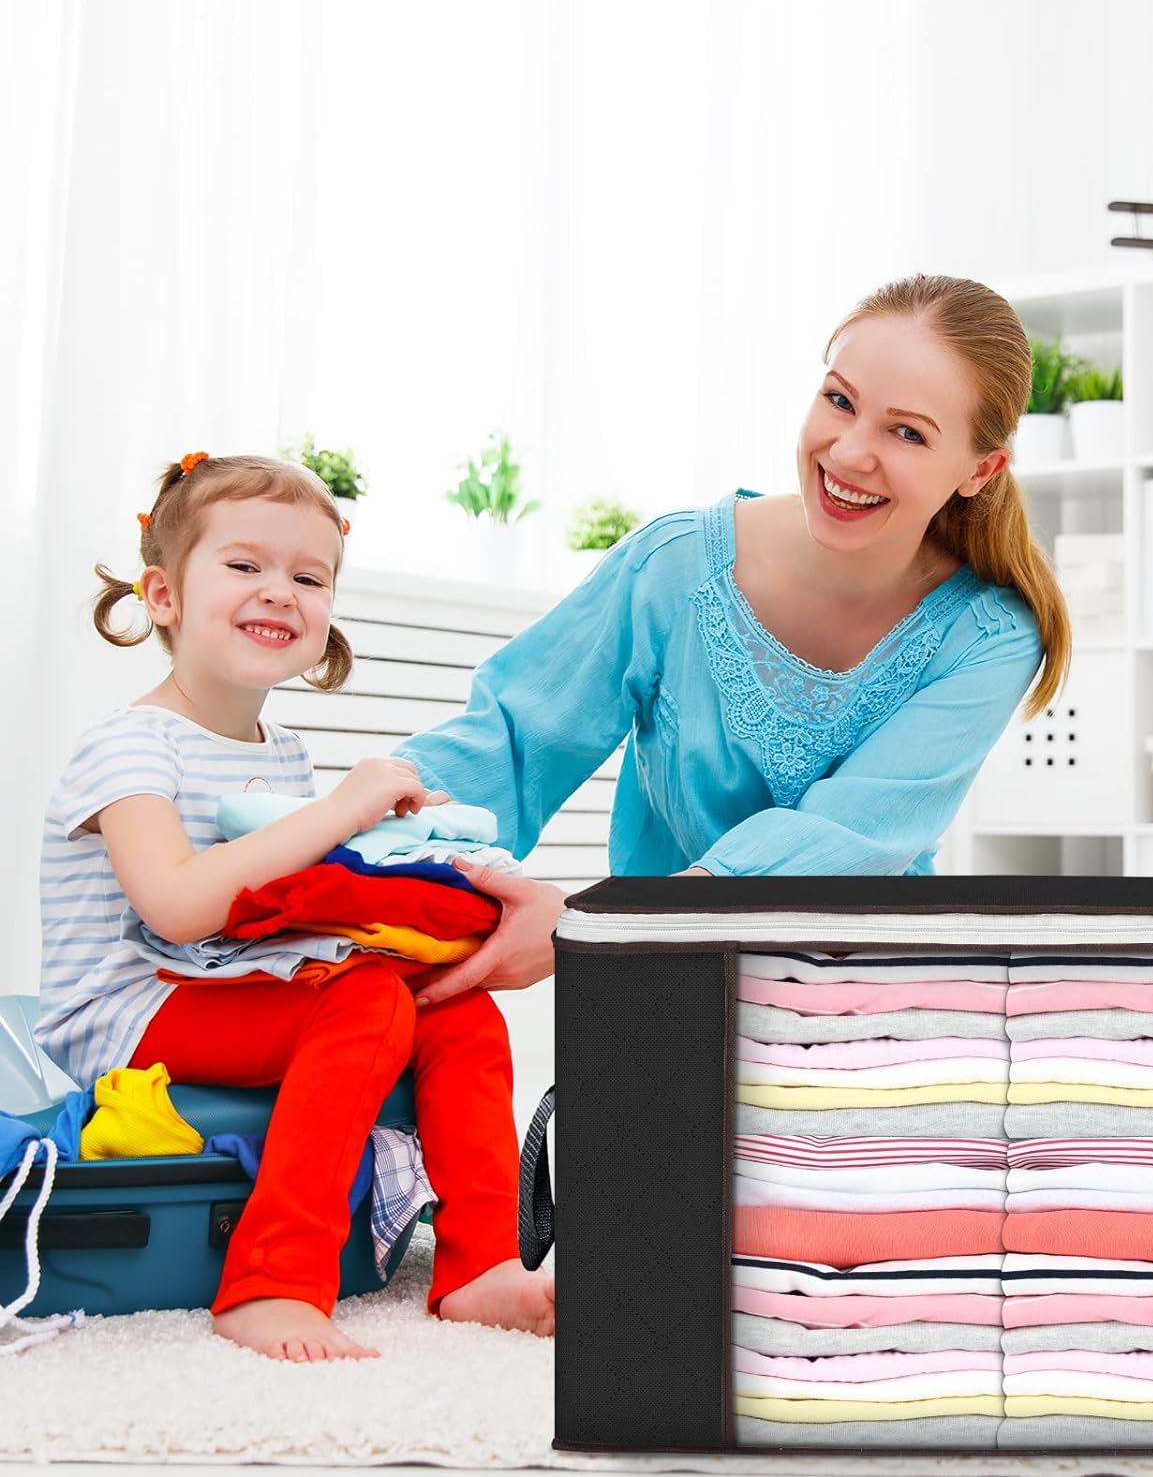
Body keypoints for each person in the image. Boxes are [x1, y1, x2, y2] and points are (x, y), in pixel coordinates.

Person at [398, 273, 1071, 1005]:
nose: (849, 453)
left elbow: (848, 834)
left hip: (865, 1004)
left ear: (980, 470)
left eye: (907, 433)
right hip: (662, 986)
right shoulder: (673, 566)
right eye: (839, 400)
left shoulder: (989, 636)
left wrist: (597, 925)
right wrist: (361, 833)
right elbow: (513, 740)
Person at [37, 453, 555, 1362]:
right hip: (127, 1007)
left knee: (458, 1008)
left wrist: (395, 846)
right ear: (163, 595)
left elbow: (288, 901)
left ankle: (480, 1264)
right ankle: (271, 1281)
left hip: (229, 978)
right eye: (245, 565)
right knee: (364, 1001)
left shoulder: (282, 752)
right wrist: (338, 810)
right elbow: (178, 907)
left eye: (308, 578)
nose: (280, 590)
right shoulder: (129, 747)